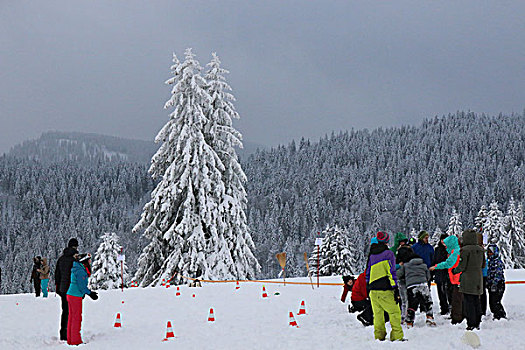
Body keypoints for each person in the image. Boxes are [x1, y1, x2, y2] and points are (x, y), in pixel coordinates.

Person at [366, 231, 404, 341]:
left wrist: (368, 286)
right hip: (385, 289)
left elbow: (368, 272)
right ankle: (397, 336)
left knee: (378, 315)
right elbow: (391, 272)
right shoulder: (388, 254)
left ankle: (379, 336)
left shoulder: (372, 255)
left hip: (373, 290)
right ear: (387, 241)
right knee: (394, 312)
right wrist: (395, 287)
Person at [452, 229, 485, 330]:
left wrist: (454, 270)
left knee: (468, 302)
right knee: (476, 301)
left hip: (468, 279)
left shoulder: (465, 250)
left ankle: (471, 322)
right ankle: (477, 321)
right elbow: (483, 264)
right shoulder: (480, 249)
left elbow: (462, 266)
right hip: (478, 278)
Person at [397, 247, 436, 327]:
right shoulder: (424, 265)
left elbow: (398, 275)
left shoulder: (406, 265)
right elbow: (428, 276)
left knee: (412, 304)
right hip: (423, 284)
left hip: (411, 286)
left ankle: (409, 321)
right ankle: (430, 317)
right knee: (427, 302)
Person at [430, 235, 463, 325]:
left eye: (446, 244)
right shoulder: (454, 251)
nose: (445, 246)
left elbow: (448, 263)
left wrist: (436, 267)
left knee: (456, 298)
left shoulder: (455, 252)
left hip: (456, 279)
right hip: (455, 278)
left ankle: (457, 317)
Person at [66, 253, 99, 345]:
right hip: (75, 295)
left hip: (71, 294)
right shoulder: (81, 270)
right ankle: (76, 341)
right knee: (76, 318)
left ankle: (70, 339)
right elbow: (81, 286)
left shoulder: (77, 268)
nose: (90, 261)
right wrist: (90, 293)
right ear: (84, 261)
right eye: (89, 259)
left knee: (72, 317)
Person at [55, 238, 79, 341]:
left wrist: (58, 288)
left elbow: (57, 275)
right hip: (72, 289)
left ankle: (63, 333)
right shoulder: (75, 259)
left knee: (65, 311)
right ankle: (71, 333)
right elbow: (78, 275)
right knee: (73, 312)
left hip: (63, 289)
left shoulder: (61, 259)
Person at [432, 234, 452, 315]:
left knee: (449, 291)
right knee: (440, 292)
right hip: (439, 273)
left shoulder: (450, 249)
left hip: (448, 273)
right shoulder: (437, 249)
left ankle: (450, 306)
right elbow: (434, 260)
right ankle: (444, 308)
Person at [486, 244, 507, 320]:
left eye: (490, 252)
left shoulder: (497, 262)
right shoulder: (490, 262)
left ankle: (500, 315)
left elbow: (498, 274)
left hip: (498, 285)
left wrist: (494, 283)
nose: (489, 254)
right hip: (491, 285)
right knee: (492, 302)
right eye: (488, 252)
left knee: (496, 301)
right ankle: (496, 315)